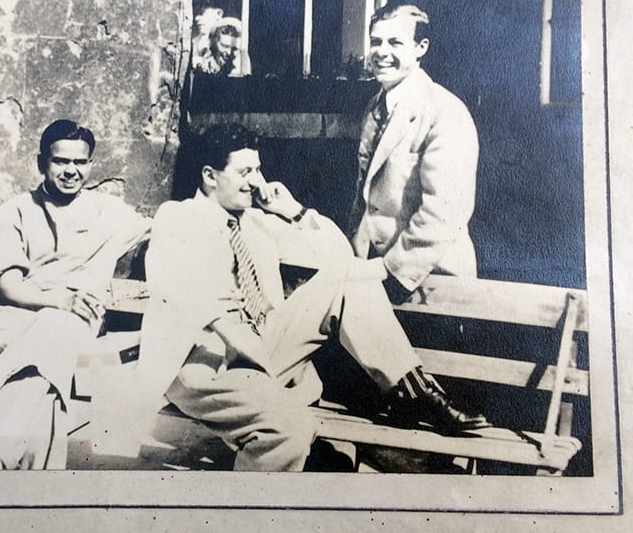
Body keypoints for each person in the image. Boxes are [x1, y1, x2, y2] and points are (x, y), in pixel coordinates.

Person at [136, 123, 489, 472]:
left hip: (259, 348)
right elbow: (197, 302)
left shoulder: (258, 223)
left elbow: (340, 258)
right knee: (288, 428)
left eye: (258, 170)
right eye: (245, 171)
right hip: (206, 361)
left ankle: (415, 390)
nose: (256, 181)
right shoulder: (178, 217)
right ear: (211, 176)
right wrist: (262, 368)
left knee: (348, 280)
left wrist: (294, 211)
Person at [0, 119, 149, 470]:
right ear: (41, 163)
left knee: (58, 332)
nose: (71, 171)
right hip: (16, 319)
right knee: (50, 361)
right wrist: (61, 300)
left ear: (90, 165)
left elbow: (161, 230)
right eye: (60, 162)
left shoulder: (106, 212)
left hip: (71, 321)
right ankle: (16, 470)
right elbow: (10, 287)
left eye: (79, 163)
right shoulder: (14, 213)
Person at [347, 4, 479, 304]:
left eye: (395, 42)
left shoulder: (445, 111)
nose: (381, 52)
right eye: (376, 41)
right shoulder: (373, 108)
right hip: (373, 277)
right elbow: (364, 198)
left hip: (429, 283)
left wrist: (391, 273)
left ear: (421, 48)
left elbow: (444, 213)